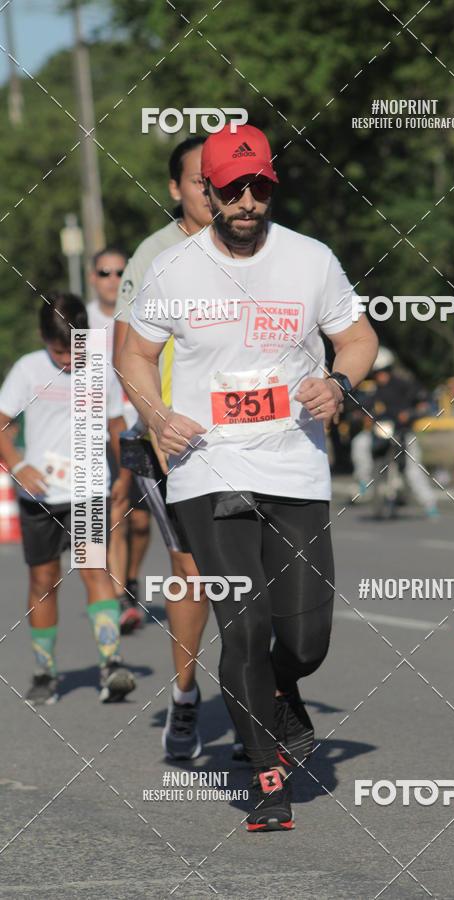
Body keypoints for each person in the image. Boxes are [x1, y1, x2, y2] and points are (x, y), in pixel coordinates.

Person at [119, 123, 378, 831]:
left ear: (272, 184)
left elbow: (357, 339)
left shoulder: (311, 260)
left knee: (305, 638)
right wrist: (156, 414)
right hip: (208, 468)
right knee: (245, 621)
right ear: (207, 189)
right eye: (231, 188)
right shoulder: (174, 269)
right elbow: (133, 355)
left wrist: (339, 383)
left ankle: (283, 690)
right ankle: (266, 776)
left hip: (294, 465)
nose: (246, 201)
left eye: (258, 186)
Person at [113, 136, 213, 760]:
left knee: (266, 580)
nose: (213, 188)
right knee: (194, 572)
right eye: (200, 179)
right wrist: (157, 420)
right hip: (174, 444)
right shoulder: (156, 255)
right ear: (176, 188)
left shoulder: (267, 246)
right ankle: (184, 695)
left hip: (259, 441)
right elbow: (127, 356)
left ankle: (273, 699)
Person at [0, 292, 137, 705]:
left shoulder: (99, 367)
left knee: (94, 571)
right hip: (39, 495)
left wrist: (124, 475)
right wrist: (18, 465)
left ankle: (111, 665)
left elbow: (118, 425)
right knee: (44, 581)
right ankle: (45, 672)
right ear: (44, 338)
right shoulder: (27, 369)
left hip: (88, 490)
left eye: (74, 350)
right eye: (59, 351)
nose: (67, 360)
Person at [89, 247, 152, 633]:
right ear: (93, 277)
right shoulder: (83, 322)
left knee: (142, 522)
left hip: (144, 426)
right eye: (104, 273)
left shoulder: (145, 310)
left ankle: (129, 578)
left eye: (119, 273)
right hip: (104, 432)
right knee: (117, 515)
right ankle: (116, 596)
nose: (112, 279)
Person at [351, 346, 439, 516]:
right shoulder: (373, 390)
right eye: (376, 373)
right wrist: (360, 415)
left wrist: (413, 412)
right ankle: (364, 481)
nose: (380, 376)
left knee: (413, 467)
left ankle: (429, 504)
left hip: (403, 432)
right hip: (380, 432)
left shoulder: (404, 386)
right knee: (359, 443)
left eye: (383, 371)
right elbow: (363, 408)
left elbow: (422, 401)